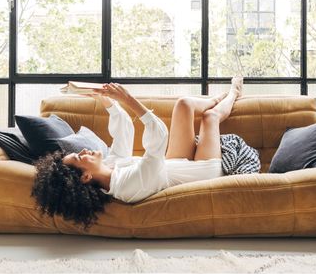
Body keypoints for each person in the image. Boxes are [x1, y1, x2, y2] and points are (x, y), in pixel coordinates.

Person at [32, 78, 244, 228]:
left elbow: (125, 129)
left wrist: (101, 98)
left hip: (173, 164)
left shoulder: (110, 168)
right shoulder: (128, 184)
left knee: (184, 104)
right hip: (202, 171)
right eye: (80, 157)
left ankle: (216, 99)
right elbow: (159, 137)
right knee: (209, 117)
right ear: (86, 176)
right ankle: (234, 93)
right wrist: (127, 98)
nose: (84, 150)